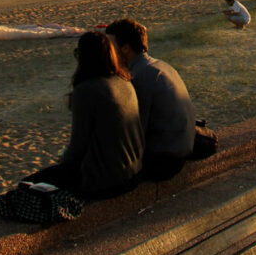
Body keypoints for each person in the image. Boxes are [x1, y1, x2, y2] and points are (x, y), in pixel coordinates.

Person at [21, 32, 143, 197]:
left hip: (108, 180)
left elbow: (78, 146)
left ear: (84, 57)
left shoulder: (87, 90)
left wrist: (62, 162)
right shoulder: (124, 81)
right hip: (134, 172)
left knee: (27, 185)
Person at [105, 19, 196, 182]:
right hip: (182, 147)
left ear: (125, 48)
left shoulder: (139, 77)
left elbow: (135, 133)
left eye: (110, 46)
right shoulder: (160, 66)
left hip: (165, 160)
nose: (107, 51)